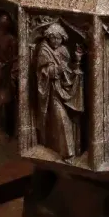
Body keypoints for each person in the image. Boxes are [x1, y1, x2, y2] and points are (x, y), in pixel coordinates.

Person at [36, 23, 84, 163]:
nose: (56, 41)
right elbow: (42, 73)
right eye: (53, 38)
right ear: (49, 37)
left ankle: (73, 149)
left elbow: (68, 71)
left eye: (59, 38)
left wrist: (77, 61)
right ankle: (68, 154)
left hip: (64, 89)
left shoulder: (63, 50)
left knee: (71, 118)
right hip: (52, 92)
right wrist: (56, 70)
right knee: (62, 119)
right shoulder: (44, 51)